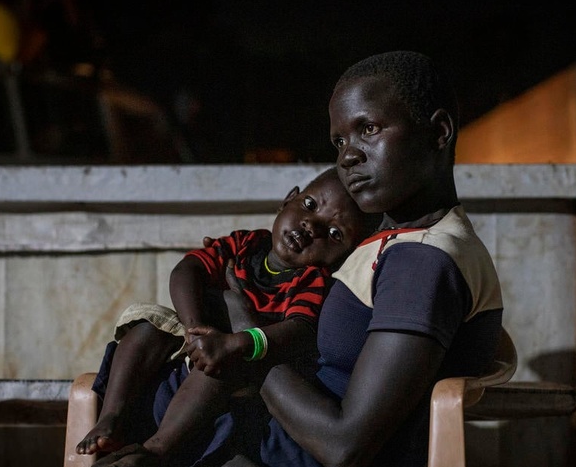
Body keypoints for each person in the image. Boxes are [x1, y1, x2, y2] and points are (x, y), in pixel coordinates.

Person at [95, 50, 505, 467]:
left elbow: (344, 445)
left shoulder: (422, 263)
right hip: (257, 430)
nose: (348, 156)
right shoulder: (397, 243)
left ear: (438, 132)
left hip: (275, 450)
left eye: (369, 129)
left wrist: (242, 326)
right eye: (340, 140)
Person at [77, 166, 380, 465]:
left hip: (241, 361)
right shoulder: (246, 243)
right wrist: (195, 329)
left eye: (333, 233)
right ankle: (111, 417)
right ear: (288, 200)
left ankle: (156, 450)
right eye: (310, 205)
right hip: (194, 335)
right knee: (144, 328)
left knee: (221, 368)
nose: (311, 227)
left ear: (343, 256)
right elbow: (188, 269)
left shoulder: (310, 280)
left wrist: (236, 344)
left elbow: (299, 328)